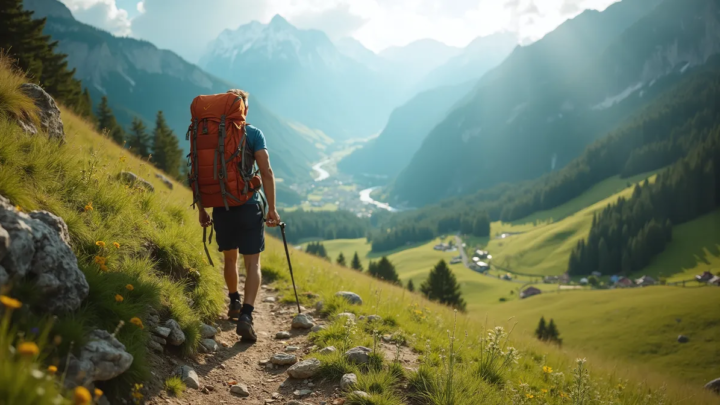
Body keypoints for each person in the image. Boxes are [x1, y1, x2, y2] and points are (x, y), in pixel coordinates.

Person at [197, 89, 281, 342]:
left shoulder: (209, 135)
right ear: (244, 109)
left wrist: (202, 209)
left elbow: (199, 173)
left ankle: (233, 301)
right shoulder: (253, 133)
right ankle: (246, 315)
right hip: (248, 207)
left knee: (230, 260)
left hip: (221, 208)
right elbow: (266, 171)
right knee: (253, 263)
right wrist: (273, 209)